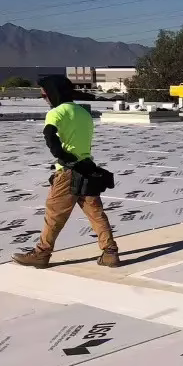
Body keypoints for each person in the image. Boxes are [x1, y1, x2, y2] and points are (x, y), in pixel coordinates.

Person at [13, 75, 119, 268]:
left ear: (53, 93)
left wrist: (61, 155)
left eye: (45, 94)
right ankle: (110, 252)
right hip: (87, 168)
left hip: (68, 173)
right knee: (96, 213)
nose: (45, 98)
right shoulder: (83, 112)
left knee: (54, 214)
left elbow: (49, 136)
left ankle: (41, 254)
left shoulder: (56, 113)